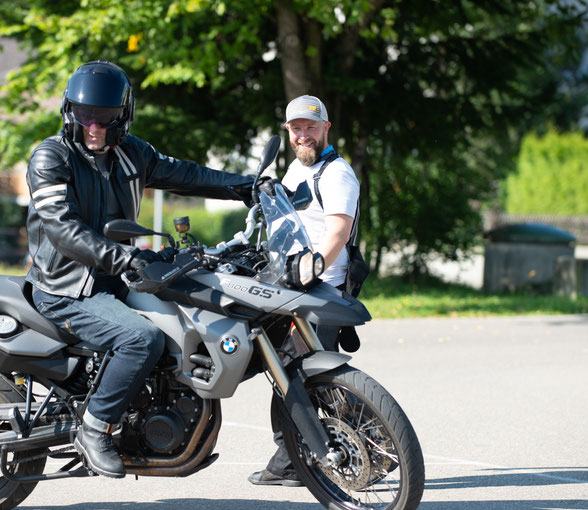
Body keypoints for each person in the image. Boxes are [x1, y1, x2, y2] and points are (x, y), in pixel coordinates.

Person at [26, 60, 255, 478]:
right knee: (141, 340)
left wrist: (244, 186)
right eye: (85, 115)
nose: (94, 127)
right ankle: (94, 429)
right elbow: (63, 229)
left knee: (186, 313)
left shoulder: (133, 153)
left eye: (106, 118)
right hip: (66, 288)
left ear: (122, 118)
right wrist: (128, 257)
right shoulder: (50, 157)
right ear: (69, 111)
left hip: (116, 279)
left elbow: (188, 174)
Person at [248, 94, 361, 487]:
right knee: (288, 372)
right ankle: (307, 454)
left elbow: (337, 232)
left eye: (310, 127)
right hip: (290, 290)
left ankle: (293, 462)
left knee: (296, 377)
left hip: (318, 290)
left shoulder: (335, 174)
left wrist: (310, 272)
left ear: (326, 128)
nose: (303, 135)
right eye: (296, 128)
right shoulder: (296, 171)